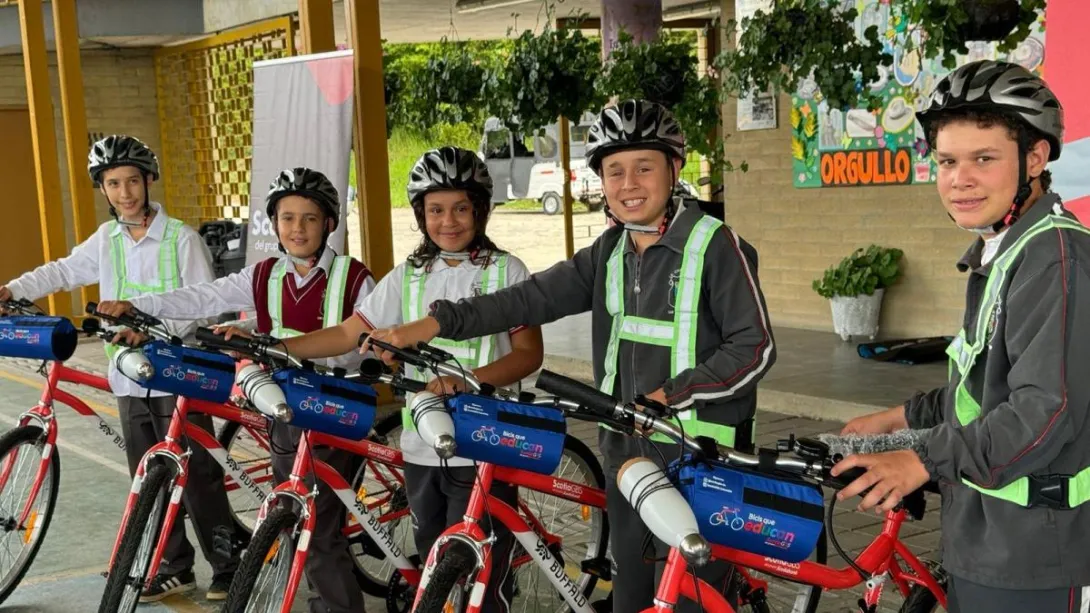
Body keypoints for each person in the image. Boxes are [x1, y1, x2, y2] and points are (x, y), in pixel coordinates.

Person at [361, 101, 776, 613]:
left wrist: (670, 396)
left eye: (644, 167)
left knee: (694, 599)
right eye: (614, 171)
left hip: (703, 456)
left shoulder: (716, 245)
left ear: (673, 168)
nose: (628, 183)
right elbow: (527, 298)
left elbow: (754, 346)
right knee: (633, 596)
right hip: (627, 453)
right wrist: (432, 323)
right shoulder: (609, 251)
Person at [231, 147, 543, 613]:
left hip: (484, 442)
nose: (449, 221)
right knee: (434, 560)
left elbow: (528, 354)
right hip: (421, 446)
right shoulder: (408, 277)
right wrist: (278, 348)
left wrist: (470, 380)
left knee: (479, 572)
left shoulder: (507, 272)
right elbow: (345, 333)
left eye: (462, 208)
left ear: (481, 210)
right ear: (420, 215)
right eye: (436, 210)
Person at [832, 60, 1090, 611]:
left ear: (1036, 158)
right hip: (986, 535)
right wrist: (903, 418)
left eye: (984, 159)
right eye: (947, 161)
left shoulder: (1056, 258)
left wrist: (923, 457)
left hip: (1037, 551)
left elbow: (1043, 409)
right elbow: (984, 390)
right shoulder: (1003, 251)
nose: (960, 179)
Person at [98, 167, 374, 613]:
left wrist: (290, 350)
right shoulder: (263, 274)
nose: (297, 229)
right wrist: (139, 305)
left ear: (329, 223)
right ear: (274, 223)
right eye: (287, 218)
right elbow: (201, 296)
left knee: (317, 527)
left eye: (309, 218)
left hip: (331, 410)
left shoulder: (355, 277)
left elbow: (363, 346)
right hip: (281, 409)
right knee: (294, 516)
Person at [0, 135, 240, 601]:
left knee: (199, 480)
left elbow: (205, 306)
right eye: (113, 183)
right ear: (103, 190)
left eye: (133, 181)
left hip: (179, 376)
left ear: (149, 181)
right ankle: (175, 565)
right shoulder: (106, 239)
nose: (125, 192)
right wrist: (11, 289)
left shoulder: (181, 239)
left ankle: (227, 565)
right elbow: (62, 271)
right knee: (148, 475)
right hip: (129, 377)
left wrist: (151, 328)